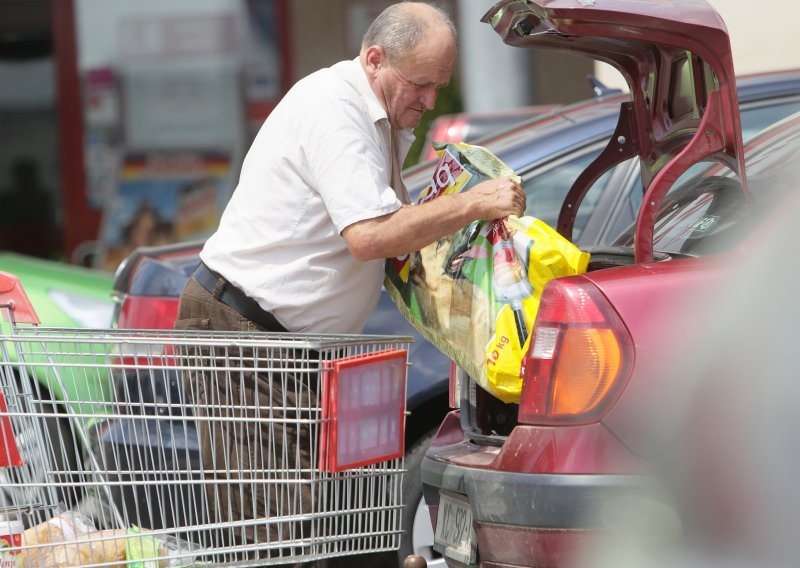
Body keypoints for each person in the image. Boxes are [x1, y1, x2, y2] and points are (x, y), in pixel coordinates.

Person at [174, 2, 525, 565]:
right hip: (247, 331)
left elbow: (394, 226)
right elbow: (368, 235)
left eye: (440, 86)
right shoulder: (335, 109)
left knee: (336, 530)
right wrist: (474, 201)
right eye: (421, 84)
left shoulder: (380, 111)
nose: (431, 101)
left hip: (296, 346)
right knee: (276, 538)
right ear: (375, 59)